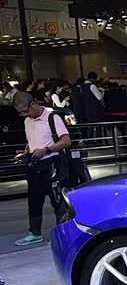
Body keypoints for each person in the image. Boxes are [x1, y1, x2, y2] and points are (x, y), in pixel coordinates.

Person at [12, 92, 71, 246]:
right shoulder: (27, 121)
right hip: (34, 165)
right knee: (34, 201)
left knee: (58, 201)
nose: (24, 114)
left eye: (25, 111)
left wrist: (46, 150)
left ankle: (62, 234)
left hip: (52, 164)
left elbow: (66, 141)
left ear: (33, 104)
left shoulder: (52, 118)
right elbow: (33, 140)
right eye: (21, 112)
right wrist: (27, 150)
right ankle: (34, 233)